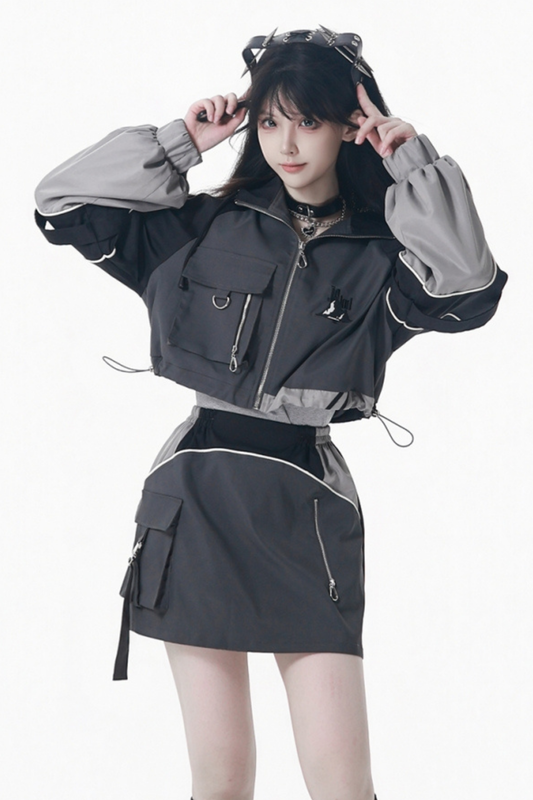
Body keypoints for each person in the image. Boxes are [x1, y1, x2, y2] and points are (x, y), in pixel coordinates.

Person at [34, 26, 507, 800]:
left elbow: (468, 286)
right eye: (269, 120)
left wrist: (410, 162)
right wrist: (182, 141)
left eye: (308, 121)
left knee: (342, 784)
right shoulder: (200, 228)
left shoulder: (384, 252)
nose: (285, 143)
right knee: (220, 782)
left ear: (348, 126)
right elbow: (61, 202)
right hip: (195, 501)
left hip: (306, 509)